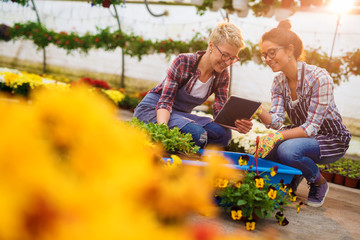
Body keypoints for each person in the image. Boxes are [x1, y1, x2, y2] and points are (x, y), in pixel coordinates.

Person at [253, 19, 351, 207]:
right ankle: (290, 178)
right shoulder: (278, 82)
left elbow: (312, 127)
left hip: (331, 138)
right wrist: (257, 110)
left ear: (290, 50)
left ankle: (318, 182)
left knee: (288, 150)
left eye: (272, 52)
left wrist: (277, 137)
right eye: (264, 54)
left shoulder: (319, 78)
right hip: (301, 135)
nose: (267, 59)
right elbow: (277, 120)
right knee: (264, 151)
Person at [134, 22, 253, 149]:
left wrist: (237, 124)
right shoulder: (183, 62)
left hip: (180, 116)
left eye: (233, 58)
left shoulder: (222, 75)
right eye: (225, 55)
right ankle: (185, 152)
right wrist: (162, 133)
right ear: (211, 45)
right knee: (197, 134)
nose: (228, 62)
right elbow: (165, 103)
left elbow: (219, 113)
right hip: (154, 110)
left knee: (223, 135)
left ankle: (194, 152)